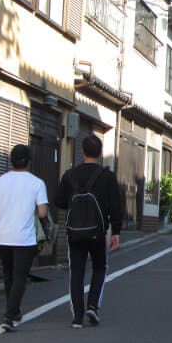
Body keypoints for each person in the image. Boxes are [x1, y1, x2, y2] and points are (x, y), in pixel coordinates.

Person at [55, 136, 122, 328]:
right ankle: (92, 305)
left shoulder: (69, 176)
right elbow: (115, 206)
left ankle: (77, 316)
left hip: (74, 232)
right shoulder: (106, 176)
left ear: (82, 152)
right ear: (101, 153)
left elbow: (59, 201)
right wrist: (115, 231)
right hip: (97, 232)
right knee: (100, 267)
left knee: (76, 271)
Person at [0, 145, 48, 332]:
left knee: (9, 275)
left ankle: (14, 311)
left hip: (3, 238)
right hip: (24, 239)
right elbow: (42, 213)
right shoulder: (37, 183)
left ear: (11, 160)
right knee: (20, 277)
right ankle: (9, 316)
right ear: (29, 161)